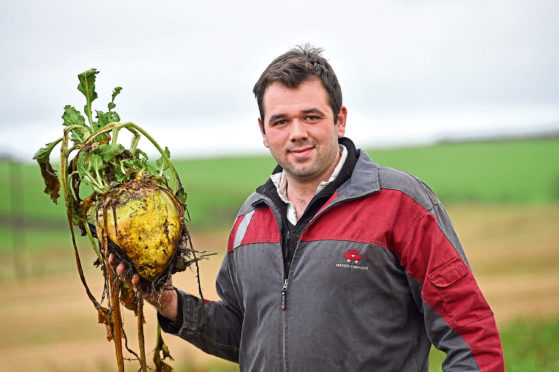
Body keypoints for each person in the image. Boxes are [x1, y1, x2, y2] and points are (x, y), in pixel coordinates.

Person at [114, 45, 505, 371]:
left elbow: (470, 333)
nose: (297, 132)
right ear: (263, 132)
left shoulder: (400, 203)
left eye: (311, 117)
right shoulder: (252, 217)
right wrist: (169, 303)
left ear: (340, 120)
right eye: (281, 120)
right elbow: (246, 332)